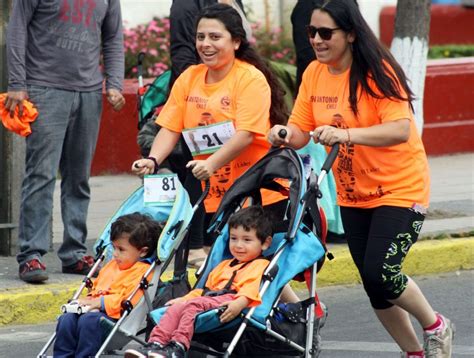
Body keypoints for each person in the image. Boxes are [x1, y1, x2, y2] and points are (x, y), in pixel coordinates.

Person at [267, 1, 454, 358]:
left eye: (325, 33)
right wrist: (282, 134)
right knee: (373, 284)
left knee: (382, 271)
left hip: (400, 188)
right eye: (311, 33)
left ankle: (436, 326)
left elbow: (400, 129)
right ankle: (413, 352)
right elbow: (301, 131)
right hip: (354, 193)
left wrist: (346, 135)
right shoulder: (314, 74)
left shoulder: (377, 71)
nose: (316, 40)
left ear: (350, 33)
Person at [132, 4, 288, 254]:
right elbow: (170, 128)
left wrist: (211, 163)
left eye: (215, 37)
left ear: (236, 42)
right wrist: (153, 159)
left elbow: (246, 135)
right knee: (220, 259)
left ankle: (294, 295)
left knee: (252, 260)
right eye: (200, 37)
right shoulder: (189, 77)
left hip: (252, 187)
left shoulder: (250, 79)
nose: (206, 44)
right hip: (207, 187)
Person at [5, 0, 126, 283]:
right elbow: (17, 30)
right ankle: (31, 254)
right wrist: (16, 84)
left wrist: (115, 84)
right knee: (41, 175)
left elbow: (113, 37)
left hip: (90, 92)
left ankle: (74, 253)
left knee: (78, 177)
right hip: (43, 87)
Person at [124, 205, 272, 358]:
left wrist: (239, 303)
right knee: (177, 307)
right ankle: (155, 343)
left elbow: (251, 289)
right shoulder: (224, 265)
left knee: (193, 306)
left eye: (247, 240)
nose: (238, 245)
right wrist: (184, 299)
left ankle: (179, 345)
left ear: (265, 243)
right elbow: (204, 290)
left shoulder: (260, 265)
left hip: (231, 301)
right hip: (209, 299)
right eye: (233, 238)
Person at [53, 212, 162, 358]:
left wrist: (100, 302)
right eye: (114, 248)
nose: (115, 254)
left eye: (121, 249)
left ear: (142, 252)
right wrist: (87, 300)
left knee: (88, 320)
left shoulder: (142, 272)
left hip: (115, 318)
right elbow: (97, 287)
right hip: (95, 310)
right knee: (66, 318)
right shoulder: (112, 265)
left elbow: (129, 300)